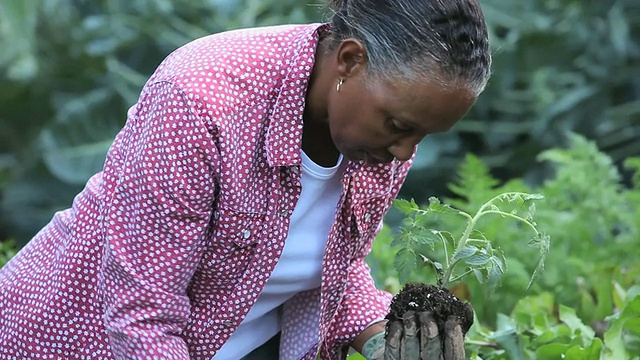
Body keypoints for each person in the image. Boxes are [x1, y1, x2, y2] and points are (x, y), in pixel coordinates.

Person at [0, 0, 491, 358]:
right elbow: (141, 316)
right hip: (77, 340)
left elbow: (325, 273)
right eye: (401, 128)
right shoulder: (203, 100)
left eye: (424, 135)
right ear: (349, 60)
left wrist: (387, 341)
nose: (406, 152)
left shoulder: (378, 137)